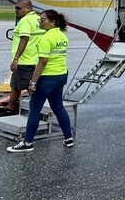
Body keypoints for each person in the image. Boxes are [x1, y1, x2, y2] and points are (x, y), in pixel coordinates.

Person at [5, 9, 74, 152]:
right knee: (58, 107)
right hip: (60, 75)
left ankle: (27, 142)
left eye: (42, 20)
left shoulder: (46, 38)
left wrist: (33, 82)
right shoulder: (62, 36)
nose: (40, 22)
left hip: (47, 77)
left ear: (52, 22)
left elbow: (42, 61)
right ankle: (68, 138)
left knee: (35, 109)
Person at [6, 0, 43, 115]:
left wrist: (16, 58)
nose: (16, 10)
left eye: (18, 8)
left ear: (27, 8)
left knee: (28, 88)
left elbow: (24, 39)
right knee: (16, 86)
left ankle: (39, 112)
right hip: (36, 60)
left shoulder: (25, 21)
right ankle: (10, 109)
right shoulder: (39, 19)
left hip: (24, 61)